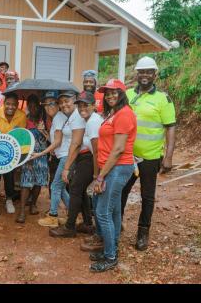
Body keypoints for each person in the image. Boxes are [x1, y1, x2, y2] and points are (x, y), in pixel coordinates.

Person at [121, 56, 176, 251]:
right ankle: (116, 225)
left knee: (147, 197)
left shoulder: (163, 99)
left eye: (148, 72)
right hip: (126, 156)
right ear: (137, 74)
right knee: (121, 191)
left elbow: (170, 128)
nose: (144, 75)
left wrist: (168, 156)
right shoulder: (126, 95)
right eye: (141, 71)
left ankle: (143, 232)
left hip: (150, 158)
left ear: (155, 74)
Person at [87, 79, 136, 273]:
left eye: (114, 92)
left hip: (118, 167)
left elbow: (118, 150)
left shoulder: (124, 114)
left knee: (102, 212)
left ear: (122, 94)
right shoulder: (114, 114)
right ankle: (111, 248)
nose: (110, 96)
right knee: (112, 211)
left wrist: (100, 177)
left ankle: (110, 257)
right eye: (107, 94)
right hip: (110, 168)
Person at [49, 91, 103, 238]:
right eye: (80, 105)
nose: (82, 108)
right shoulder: (84, 118)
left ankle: (70, 227)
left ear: (94, 105)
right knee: (80, 189)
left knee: (75, 189)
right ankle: (87, 223)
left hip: (89, 158)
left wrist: (96, 175)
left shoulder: (89, 120)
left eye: (85, 105)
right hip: (85, 157)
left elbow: (79, 143)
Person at [36, 91, 86, 228]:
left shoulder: (58, 117)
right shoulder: (59, 118)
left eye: (52, 103)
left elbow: (57, 143)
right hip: (62, 155)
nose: (48, 107)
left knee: (55, 186)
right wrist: (44, 132)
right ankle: (74, 215)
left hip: (65, 156)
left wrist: (40, 154)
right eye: (46, 104)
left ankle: (53, 216)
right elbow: (56, 140)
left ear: (57, 105)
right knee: (62, 189)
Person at [0, 92, 27, 220]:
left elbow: (20, 135)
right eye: (8, 104)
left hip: (11, 151)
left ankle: (9, 200)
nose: (11, 107)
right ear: (4, 103)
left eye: (14, 104)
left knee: (9, 177)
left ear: (17, 105)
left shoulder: (22, 115)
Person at [17, 94, 49, 223]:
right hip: (28, 155)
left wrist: (42, 130)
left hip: (41, 155)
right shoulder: (25, 119)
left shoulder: (45, 119)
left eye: (35, 105)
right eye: (30, 105)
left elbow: (51, 140)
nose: (33, 107)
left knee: (38, 182)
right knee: (25, 183)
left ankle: (33, 204)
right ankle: (22, 211)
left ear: (39, 106)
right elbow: (21, 138)